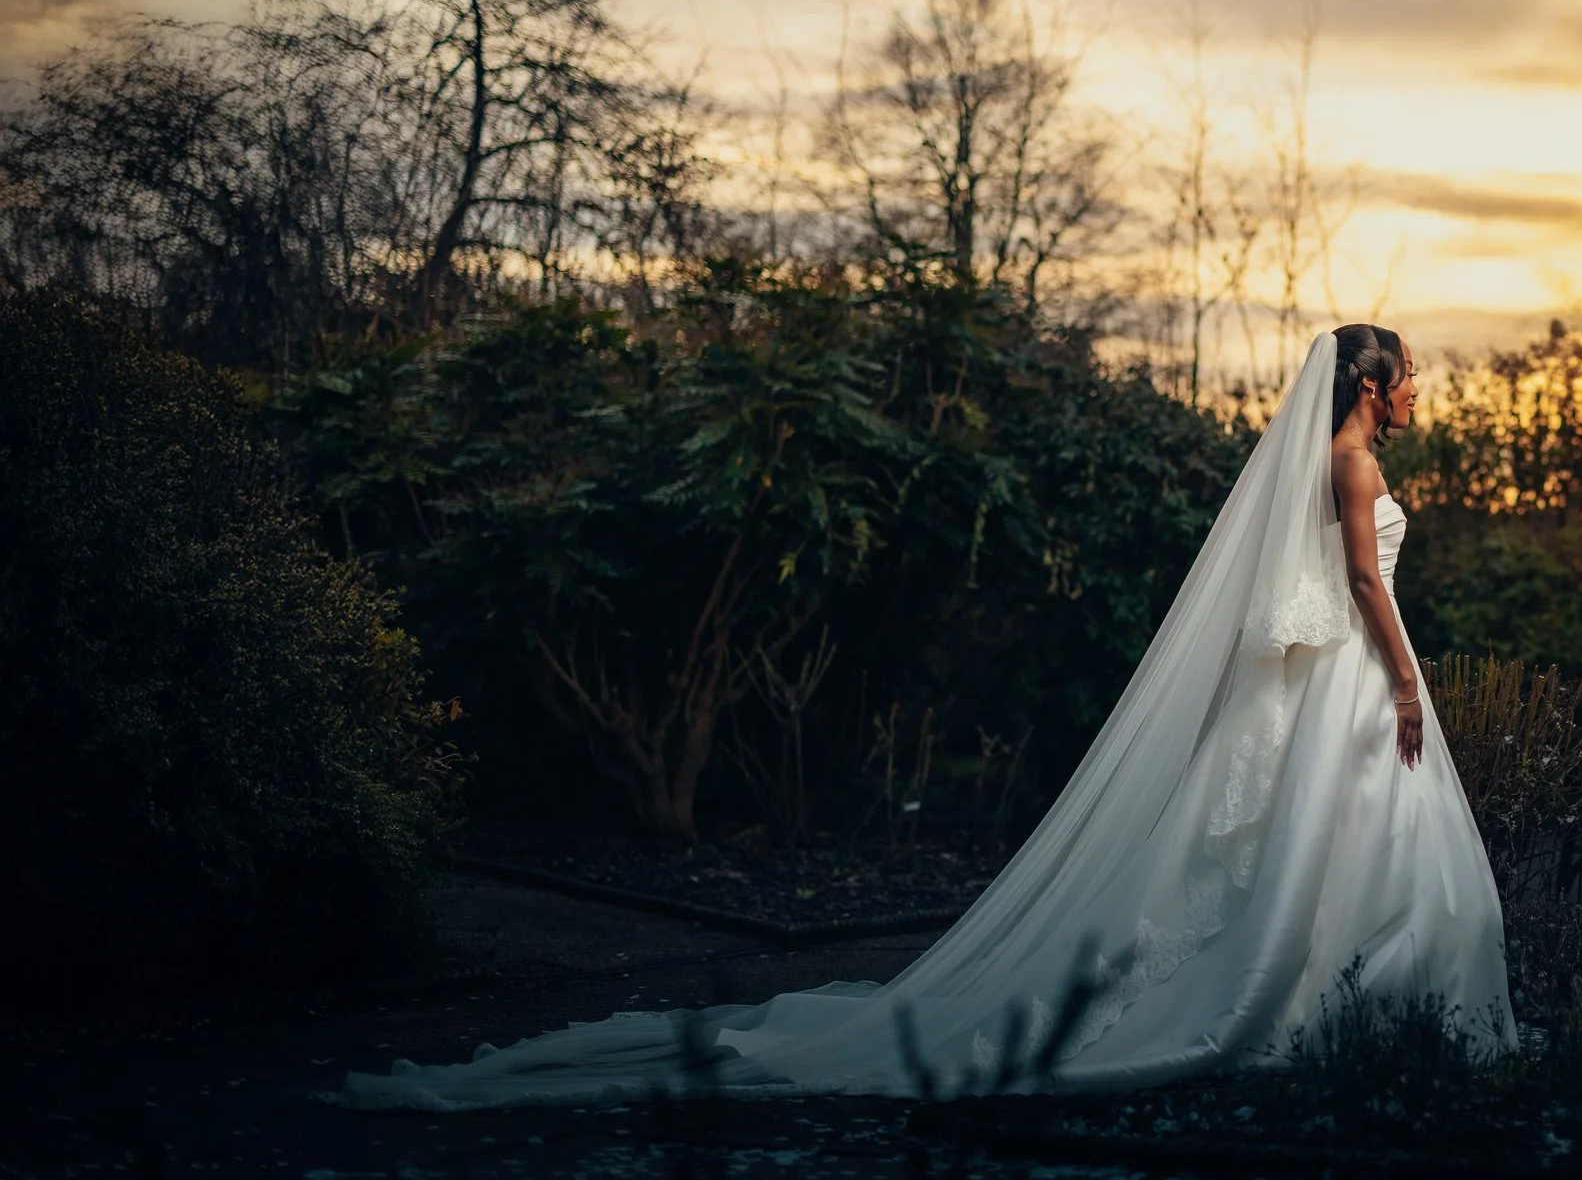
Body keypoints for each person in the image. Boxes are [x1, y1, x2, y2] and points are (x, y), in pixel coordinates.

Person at [328, 324, 1516, 1110]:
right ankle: (1363, 1014)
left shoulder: (1322, 460)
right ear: (1370, 384)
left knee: (1328, 852)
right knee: (1364, 851)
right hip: (1357, 675)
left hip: (1321, 681)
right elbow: (1364, 584)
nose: (1417, 392)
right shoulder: (1354, 465)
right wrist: (1408, 686)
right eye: (1409, 374)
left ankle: (1352, 1006)